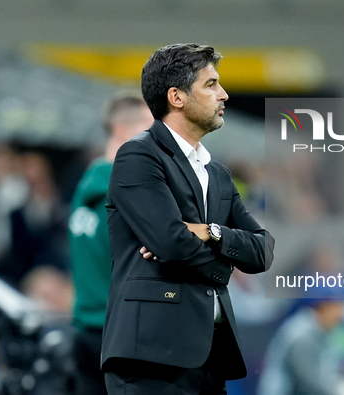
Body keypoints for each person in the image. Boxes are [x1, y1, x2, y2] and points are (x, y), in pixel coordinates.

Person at [101, 43, 274, 394]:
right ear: (176, 97)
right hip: (151, 358)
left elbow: (263, 250)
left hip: (209, 360)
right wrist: (225, 266)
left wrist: (212, 233)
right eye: (210, 85)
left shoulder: (219, 174)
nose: (223, 94)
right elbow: (171, 242)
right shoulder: (138, 155)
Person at [68, 92, 153, 395]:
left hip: (86, 330)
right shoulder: (125, 192)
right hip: (122, 333)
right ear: (122, 131)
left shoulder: (86, 185)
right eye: (148, 125)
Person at [257, 298, 344, 395]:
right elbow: (309, 380)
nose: (343, 315)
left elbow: (329, 367)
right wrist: (339, 388)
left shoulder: (322, 331)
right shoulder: (302, 335)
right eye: (340, 307)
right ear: (325, 306)